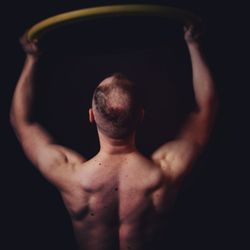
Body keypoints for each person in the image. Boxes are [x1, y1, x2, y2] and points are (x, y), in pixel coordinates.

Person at [10, 24, 218, 250]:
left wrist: (31, 58)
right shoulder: (165, 172)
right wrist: (193, 44)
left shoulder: (71, 177)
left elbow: (21, 122)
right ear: (141, 116)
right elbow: (205, 109)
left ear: (91, 116)